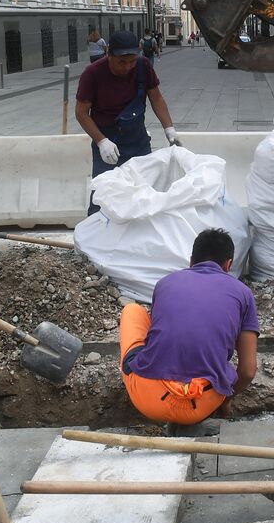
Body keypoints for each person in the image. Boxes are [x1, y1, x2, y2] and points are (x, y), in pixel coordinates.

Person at [119, 229, 258, 425]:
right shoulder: (243, 293)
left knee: (132, 310)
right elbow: (248, 371)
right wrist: (226, 400)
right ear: (228, 265)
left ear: (191, 261)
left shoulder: (165, 283)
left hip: (148, 400)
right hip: (200, 405)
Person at [75, 30, 182, 214]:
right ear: (109, 54)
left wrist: (169, 128)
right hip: (108, 145)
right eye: (122, 62)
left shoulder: (142, 66)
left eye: (132, 61)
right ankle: (98, 236)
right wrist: (101, 141)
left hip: (138, 142)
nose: (127, 67)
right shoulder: (92, 74)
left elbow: (156, 98)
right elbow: (81, 113)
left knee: (144, 194)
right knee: (104, 196)